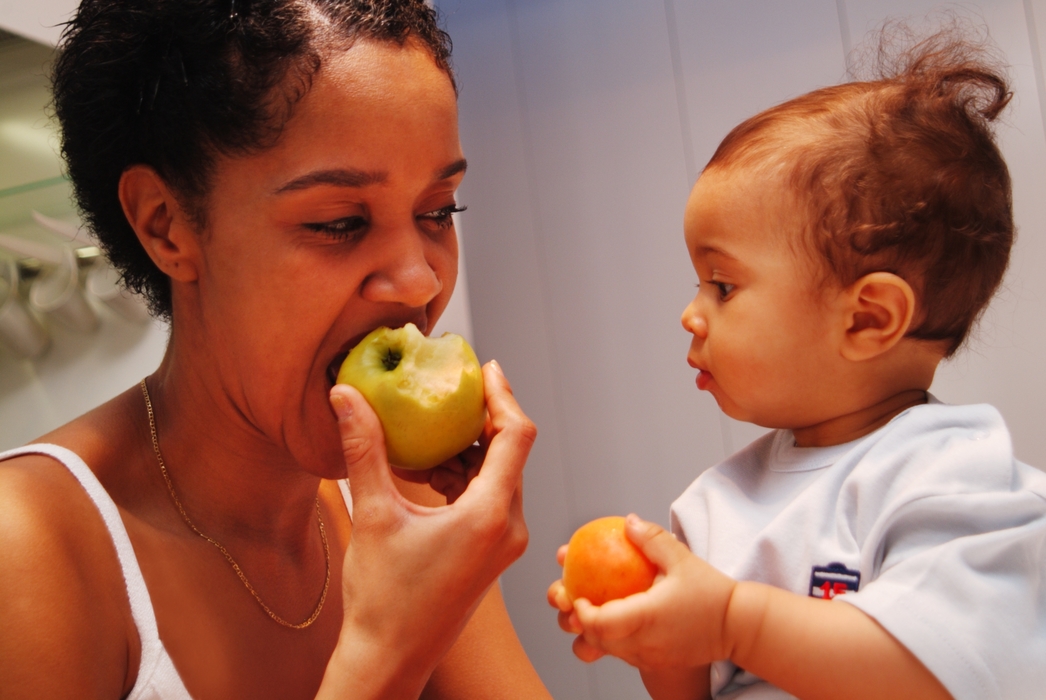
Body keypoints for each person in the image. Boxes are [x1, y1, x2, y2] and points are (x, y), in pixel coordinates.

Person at [0, 1, 553, 698]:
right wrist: (386, 654)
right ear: (166, 225)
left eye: (439, 211)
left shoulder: (403, 504)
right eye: (340, 222)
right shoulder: (26, 548)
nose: (420, 278)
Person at [548, 28, 1046, 700]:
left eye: (722, 286)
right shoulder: (713, 505)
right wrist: (655, 636)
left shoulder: (952, 479)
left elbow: (934, 672)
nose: (691, 314)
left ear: (868, 318)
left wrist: (730, 621)